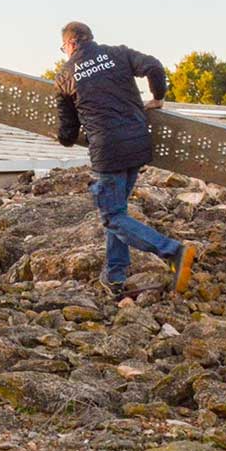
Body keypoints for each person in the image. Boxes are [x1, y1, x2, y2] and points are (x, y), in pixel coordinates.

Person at [53, 21, 195, 297]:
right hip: (138, 144)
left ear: (70, 44)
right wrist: (158, 98)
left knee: (111, 216)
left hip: (109, 152)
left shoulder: (65, 76)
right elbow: (153, 66)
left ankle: (173, 252)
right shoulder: (117, 54)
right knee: (118, 211)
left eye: (63, 48)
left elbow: (68, 132)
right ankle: (115, 275)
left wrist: (63, 137)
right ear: (90, 38)